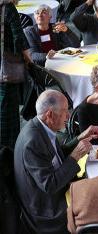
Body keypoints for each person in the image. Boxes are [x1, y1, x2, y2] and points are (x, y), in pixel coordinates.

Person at [14, 90, 98, 233]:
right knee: (97, 202)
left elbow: (57, 155)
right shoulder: (32, 142)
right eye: (65, 111)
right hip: (46, 210)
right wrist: (75, 155)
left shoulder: (42, 126)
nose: (68, 116)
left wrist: (80, 137)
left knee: (96, 183)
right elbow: (49, 185)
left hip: (52, 192)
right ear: (50, 114)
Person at [0, 0, 31, 150]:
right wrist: (29, 61)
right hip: (6, 71)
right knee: (7, 111)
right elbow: (19, 38)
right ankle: (9, 150)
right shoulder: (8, 8)